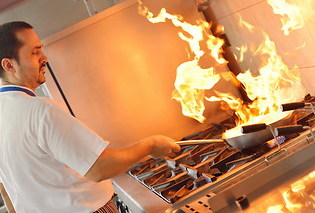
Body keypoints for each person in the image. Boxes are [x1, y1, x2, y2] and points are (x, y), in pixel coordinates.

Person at [0, 21, 181, 213]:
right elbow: (100, 168)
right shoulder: (39, 110)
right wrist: (150, 145)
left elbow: (7, 190)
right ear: (9, 65)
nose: (44, 57)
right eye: (34, 52)